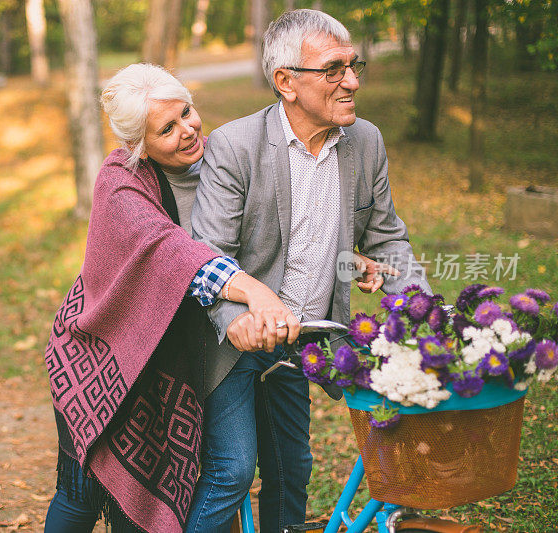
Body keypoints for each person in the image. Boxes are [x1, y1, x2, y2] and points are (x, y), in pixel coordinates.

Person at [187, 9, 431, 533]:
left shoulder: (365, 141)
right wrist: (236, 319)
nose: (353, 81)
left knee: (292, 471)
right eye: (334, 69)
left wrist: (427, 312)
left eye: (353, 64)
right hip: (230, 342)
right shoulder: (234, 146)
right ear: (286, 82)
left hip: (305, 341)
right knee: (231, 472)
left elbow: (387, 238)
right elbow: (207, 253)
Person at [43, 63, 298, 533]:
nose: (188, 130)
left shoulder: (221, 166)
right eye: (167, 128)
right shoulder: (121, 181)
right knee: (81, 495)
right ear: (138, 145)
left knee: (141, 507)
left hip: (174, 357)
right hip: (103, 358)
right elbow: (168, 248)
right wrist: (251, 289)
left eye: (187, 112)